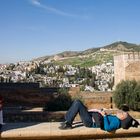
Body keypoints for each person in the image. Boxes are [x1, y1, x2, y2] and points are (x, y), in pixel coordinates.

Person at [59, 99, 139, 131]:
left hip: (90, 122)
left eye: (122, 114)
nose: (121, 112)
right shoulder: (116, 119)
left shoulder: (117, 122)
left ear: (123, 119)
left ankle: (68, 123)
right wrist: (103, 112)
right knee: (77, 102)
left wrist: (104, 116)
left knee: (78, 103)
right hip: (92, 118)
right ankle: (67, 120)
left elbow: (108, 128)